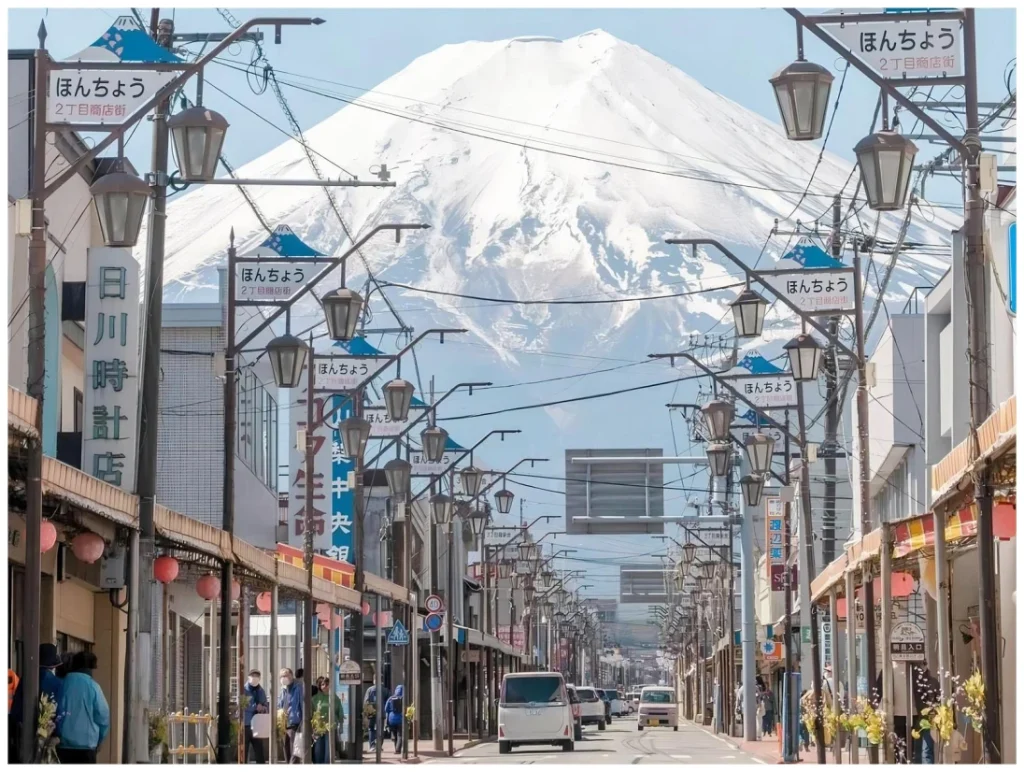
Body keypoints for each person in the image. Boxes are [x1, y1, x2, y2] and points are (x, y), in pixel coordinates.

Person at [10, 643, 64, 762]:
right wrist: (58, 733)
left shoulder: (26, 678)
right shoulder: (58, 683)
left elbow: (16, 708)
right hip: (47, 734)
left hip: (24, 733)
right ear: (53, 665)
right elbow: (59, 710)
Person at [56, 652, 109, 764]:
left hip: (62, 745)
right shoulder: (93, 686)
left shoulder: (62, 683)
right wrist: (100, 739)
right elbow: (103, 716)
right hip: (87, 747)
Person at [311, 678, 343, 763]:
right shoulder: (315, 698)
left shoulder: (334, 697)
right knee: (318, 748)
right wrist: (312, 727)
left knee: (329, 748)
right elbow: (311, 712)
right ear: (320, 686)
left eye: (327, 684)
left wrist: (341, 724)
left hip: (331, 726)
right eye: (323, 684)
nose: (325, 686)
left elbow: (339, 710)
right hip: (318, 727)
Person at [278, 668, 303, 764]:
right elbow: (279, 705)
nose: (284, 678)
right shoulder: (283, 689)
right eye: (282, 676)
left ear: (292, 676)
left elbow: (303, 704)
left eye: (286, 675)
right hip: (284, 724)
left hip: (295, 723)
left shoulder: (299, 687)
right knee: (286, 749)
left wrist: (303, 722)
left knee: (295, 751)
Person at [243, 669, 269, 764]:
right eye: (253, 676)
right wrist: (255, 707)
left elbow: (265, 704)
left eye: (257, 676)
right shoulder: (243, 690)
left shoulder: (261, 690)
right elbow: (242, 705)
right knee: (243, 752)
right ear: (248, 677)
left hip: (258, 725)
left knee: (259, 752)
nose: (254, 678)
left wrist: (264, 708)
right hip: (246, 724)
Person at [364, 683, 389, 751]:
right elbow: (388, 701)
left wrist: (366, 713)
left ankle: (372, 745)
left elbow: (366, 702)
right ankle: (379, 746)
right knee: (380, 729)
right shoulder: (385, 690)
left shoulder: (369, 689)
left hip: (371, 712)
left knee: (371, 728)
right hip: (381, 712)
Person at [384, 686, 404, 754]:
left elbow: (386, 709)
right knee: (400, 735)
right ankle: (398, 750)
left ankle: (396, 748)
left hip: (391, 719)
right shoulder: (403, 698)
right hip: (400, 719)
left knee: (395, 735)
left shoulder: (390, 698)